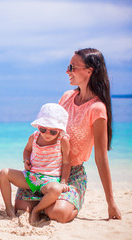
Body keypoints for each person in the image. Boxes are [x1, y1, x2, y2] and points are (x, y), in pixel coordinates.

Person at [14, 48, 122, 223]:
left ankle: (63, 203)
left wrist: (111, 203)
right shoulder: (66, 97)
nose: (67, 71)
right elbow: (49, 130)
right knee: (21, 209)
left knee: (58, 214)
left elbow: (101, 157)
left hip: (71, 174)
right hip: (43, 171)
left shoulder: (97, 109)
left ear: (89, 71)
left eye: (72, 67)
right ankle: (47, 202)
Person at [0, 103, 70, 223]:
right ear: (39, 126)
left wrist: (63, 181)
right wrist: (26, 161)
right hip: (31, 177)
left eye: (53, 132)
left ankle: (37, 210)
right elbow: (27, 150)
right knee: (4, 173)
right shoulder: (35, 136)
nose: (47, 134)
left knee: (56, 190)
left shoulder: (62, 140)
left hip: (49, 180)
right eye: (43, 129)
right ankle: (9, 209)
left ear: (60, 129)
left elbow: (67, 163)